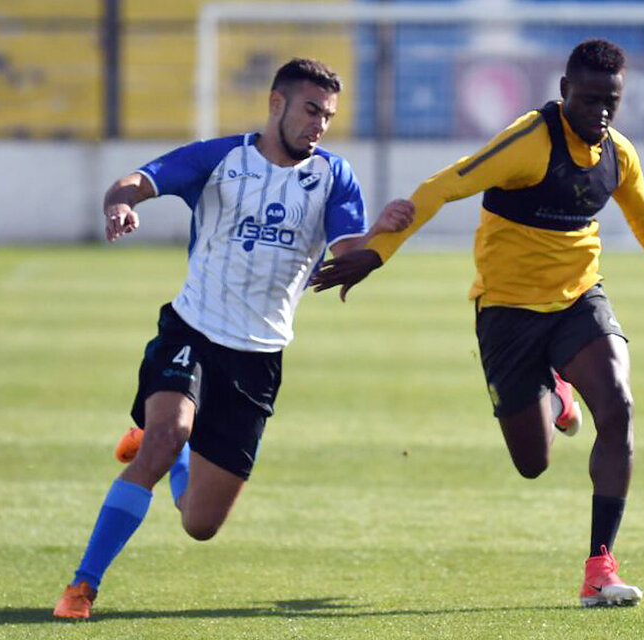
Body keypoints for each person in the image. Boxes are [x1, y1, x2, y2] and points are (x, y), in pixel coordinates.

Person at [312, 39, 644, 607]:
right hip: (507, 313)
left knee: (619, 405)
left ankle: (599, 568)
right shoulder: (529, 142)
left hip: (578, 301)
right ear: (563, 94)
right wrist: (378, 251)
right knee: (532, 463)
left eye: (611, 101)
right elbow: (444, 185)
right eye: (588, 101)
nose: (600, 113)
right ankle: (556, 389)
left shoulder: (618, 155)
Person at [52, 58, 414, 619]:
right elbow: (136, 181)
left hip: (258, 358)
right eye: (310, 110)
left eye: (328, 115)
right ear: (277, 104)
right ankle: (82, 586)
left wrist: (381, 237)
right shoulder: (220, 157)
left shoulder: (334, 177)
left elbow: (348, 255)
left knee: (199, 524)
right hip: (192, 329)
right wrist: (120, 204)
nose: (320, 124)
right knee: (168, 433)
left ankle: (167, 455)